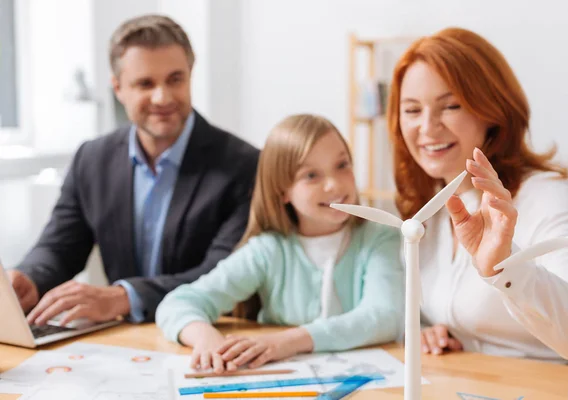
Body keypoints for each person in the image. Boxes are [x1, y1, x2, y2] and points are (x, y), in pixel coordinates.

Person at [7, 14, 259, 325]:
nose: (162, 97)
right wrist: (27, 280)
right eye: (145, 83)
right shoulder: (92, 158)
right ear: (118, 88)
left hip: (207, 334)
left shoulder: (244, 165)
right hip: (119, 342)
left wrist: (125, 296)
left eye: (175, 79)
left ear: (190, 75)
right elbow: (60, 247)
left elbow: (225, 272)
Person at [387, 27, 568, 363]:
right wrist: (426, 330)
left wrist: (506, 269)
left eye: (450, 106)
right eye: (412, 110)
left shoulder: (545, 196)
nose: (427, 127)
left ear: (492, 112)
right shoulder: (428, 207)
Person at [156, 114, 404, 372]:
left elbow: (384, 316)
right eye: (311, 175)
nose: (334, 184)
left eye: (342, 165)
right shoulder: (268, 250)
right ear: (282, 191)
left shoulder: (380, 237)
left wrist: (288, 342)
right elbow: (178, 303)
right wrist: (208, 341)